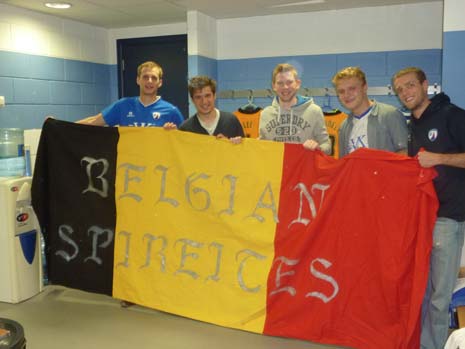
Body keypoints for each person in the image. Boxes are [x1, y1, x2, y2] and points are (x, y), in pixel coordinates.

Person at [393, 67, 465, 349]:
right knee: (421, 289)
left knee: (439, 294)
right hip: (422, 218)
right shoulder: (413, 124)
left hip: (448, 217)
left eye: (410, 86)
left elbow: (437, 159)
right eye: (399, 90)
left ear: (425, 85)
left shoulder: (452, 115)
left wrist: (439, 158)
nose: (406, 93)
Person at [77, 61, 184, 128]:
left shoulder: (171, 111)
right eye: (145, 77)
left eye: (154, 78)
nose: (149, 81)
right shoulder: (123, 105)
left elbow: (185, 141)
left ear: (160, 83)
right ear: (138, 80)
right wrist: (62, 127)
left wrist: (173, 134)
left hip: (158, 163)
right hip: (127, 163)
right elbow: (94, 121)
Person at [333, 66, 408, 157]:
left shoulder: (390, 115)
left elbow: (406, 152)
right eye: (341, 91)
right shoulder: (344, 126)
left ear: (364, 87)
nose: (346, 95)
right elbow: (344, 162)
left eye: (352, 89)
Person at [259, 63, 331, 154]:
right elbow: (260, 147)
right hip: (277, 168)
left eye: (289, 82)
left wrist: (318, 148)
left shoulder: (314, 111)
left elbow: (327, 146)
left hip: (304, 167)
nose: (285, 87)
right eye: (280, 83)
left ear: (297, 83)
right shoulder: (265, 114)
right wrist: (241, 144)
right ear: (274, 86)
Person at [178, 75, 244, 141]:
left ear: (214, 95)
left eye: (207, 96)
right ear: (192, 100)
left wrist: (230, 145)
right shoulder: (185, 129)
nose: (204, 101)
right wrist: (169, 134)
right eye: (198, 97)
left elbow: (244, 149)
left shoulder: (231, 121)